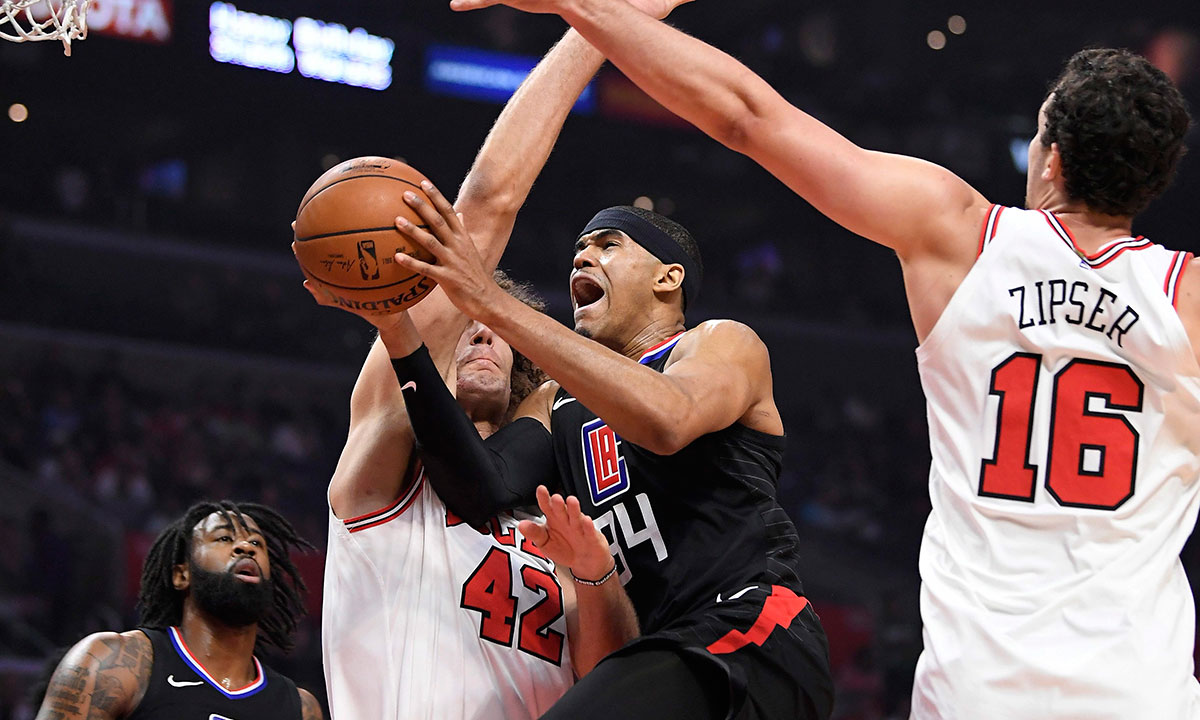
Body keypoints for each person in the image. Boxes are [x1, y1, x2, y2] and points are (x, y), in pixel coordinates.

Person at [425, 2, 1200, 717]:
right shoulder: (1188, 297)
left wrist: (582, 5)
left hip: (977, 687)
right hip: (1145, 687)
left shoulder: (961, 232)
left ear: (1051, 157)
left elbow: (745, 116)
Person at [301, 4, 687, 716]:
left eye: (498, 328)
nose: (479, 334)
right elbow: (485, 207)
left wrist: (598, 578)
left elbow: (606, 681)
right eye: (465, 326)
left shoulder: (563, 524)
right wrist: (599, 22)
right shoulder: (385, 475)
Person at [371, 180, 835, 717]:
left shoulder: (717, 344)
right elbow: (482, 488)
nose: (582, 258)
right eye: (577, 251)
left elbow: (669, 418)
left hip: (750, 632)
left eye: (607, 244)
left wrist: (491, 303)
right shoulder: (552, 400)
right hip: (653, 651)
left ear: (669, 277)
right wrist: (397, 333)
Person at [35, 501, 323, 720]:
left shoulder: (300, 708)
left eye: (257, 543)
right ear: (181, 575)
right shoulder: (114, 662)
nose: (245, 547)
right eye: (224, 538)